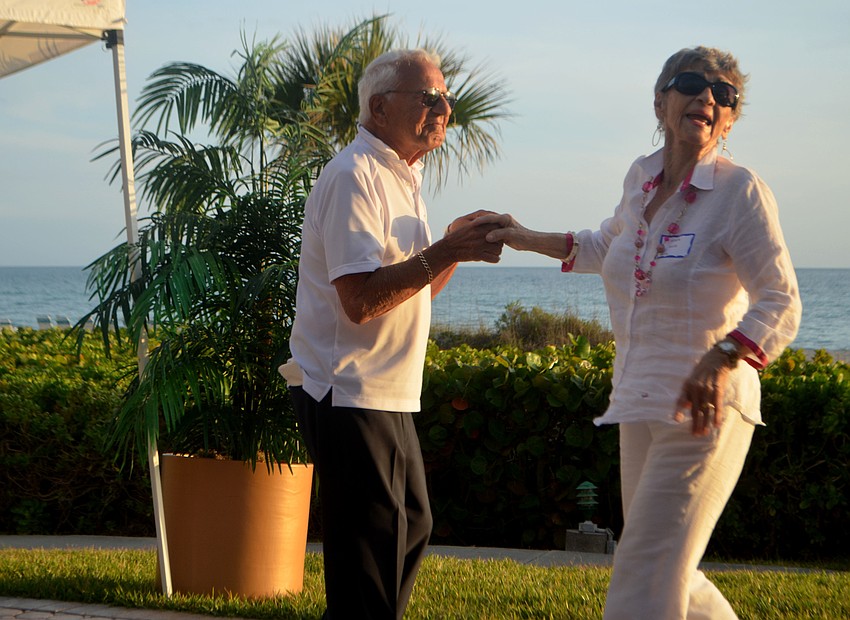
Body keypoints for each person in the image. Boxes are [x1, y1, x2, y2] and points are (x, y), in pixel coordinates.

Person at [483, 47, 801, 619]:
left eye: (724, 93)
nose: (707, 97)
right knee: (668, 569)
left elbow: (781, 300)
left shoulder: (741, 192)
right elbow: (607, 246)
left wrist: (725, 355)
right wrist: (523, 236)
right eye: (692, 83)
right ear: (660, 101)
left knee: (644, 568)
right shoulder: (641, 179)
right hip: (639, 401)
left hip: (705, 411)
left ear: (730, 118)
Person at [283, 48, 503, 620]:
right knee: (373, 552)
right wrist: (445, 249)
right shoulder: (354, 175)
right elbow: (359, 302)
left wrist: (453, 249)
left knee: (410, 526)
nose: (444, 109)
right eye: (428, 97)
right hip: (346, 388)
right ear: (379, 108)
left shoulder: (401, 176)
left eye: (446, 97)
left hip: (385, 392)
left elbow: (413, 292)